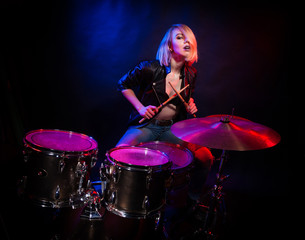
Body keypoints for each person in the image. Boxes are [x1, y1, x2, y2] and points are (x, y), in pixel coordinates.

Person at [116, 24, 213, 202]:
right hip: (146, 126)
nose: (186, 41)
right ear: (169, 46)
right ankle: (121, 200)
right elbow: (123, 84)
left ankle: (190, 199)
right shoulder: (149, 68)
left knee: (203, 158)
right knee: (117, 156)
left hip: (172, 129)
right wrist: (141, 108)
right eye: (179, 37)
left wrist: (190, 104)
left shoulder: (191, 73)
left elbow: (186, 99)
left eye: (188, 38)